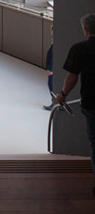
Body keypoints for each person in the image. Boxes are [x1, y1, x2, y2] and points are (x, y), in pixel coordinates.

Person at [56, 13, 95, 185]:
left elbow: (72, 77)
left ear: (85, 30)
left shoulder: (80, 49)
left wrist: (62, 95)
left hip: (92, 101)